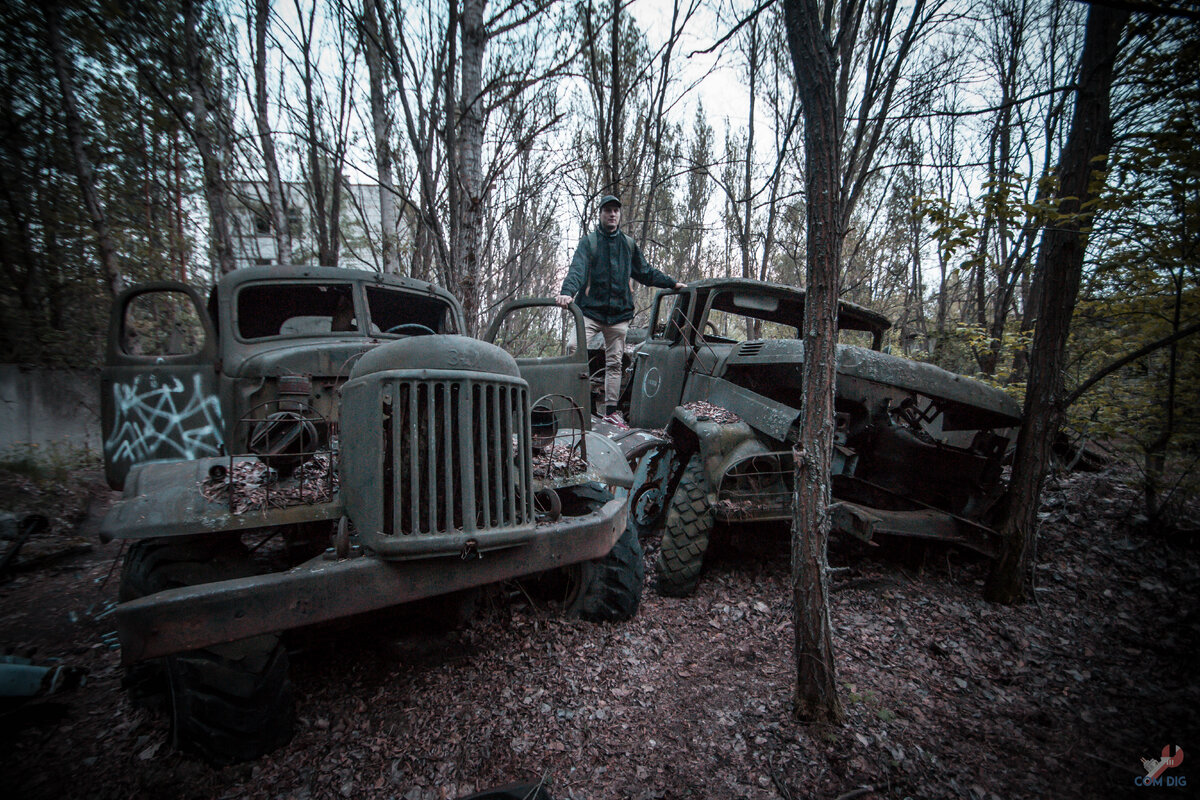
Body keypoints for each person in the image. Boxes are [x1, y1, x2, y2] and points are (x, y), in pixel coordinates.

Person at [556, 194, 686, 422]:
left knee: (615, 362)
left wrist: (672, 283)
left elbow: (645, 272)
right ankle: (577, 404)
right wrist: (567, 292)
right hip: (590, 313)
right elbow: (577, 270)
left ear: (620, 214)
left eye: (616, 210)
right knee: (574, 348)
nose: (612, 214)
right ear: (601, 214)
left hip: (618, 317)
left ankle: (610, 413)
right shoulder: (590, 243)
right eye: (608, 210)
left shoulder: (628, 244)